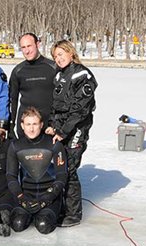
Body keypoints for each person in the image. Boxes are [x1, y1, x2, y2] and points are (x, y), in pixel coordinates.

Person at [46, 40, 97, 227]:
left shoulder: (82, 74)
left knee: (70, 168)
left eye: (61, 54)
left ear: (70, 53)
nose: (59, 59)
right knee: (60, 167)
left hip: (76, 129)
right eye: (55, 56)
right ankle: (61, 206)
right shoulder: (59, 75)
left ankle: (73, 214)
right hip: (61, 129)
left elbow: (80, 110)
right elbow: (56, 105)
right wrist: (53, 125)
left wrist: (63, 130)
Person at [7, 107, 67, 234]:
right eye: (28, 124)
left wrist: (48, 197)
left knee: (43, 224)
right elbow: (11, 176)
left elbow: (61, 175)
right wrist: (20, 197)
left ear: (41, 125)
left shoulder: (54, 144)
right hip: (26, 194)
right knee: (17, 223)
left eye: (35, 124)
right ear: (22, 126)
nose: (31, 128)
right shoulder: (15, 146)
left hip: (50, 195)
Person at [9, 33, 57, 137]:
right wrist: (11, 125)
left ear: (37, 44)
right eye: (23, 47)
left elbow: (62, 99)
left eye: (29, 46)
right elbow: (13, 100)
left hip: (48, 127)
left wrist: (57, 123)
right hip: (25, 128)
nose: (27, 51)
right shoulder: (18, 71)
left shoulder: (53, 68)